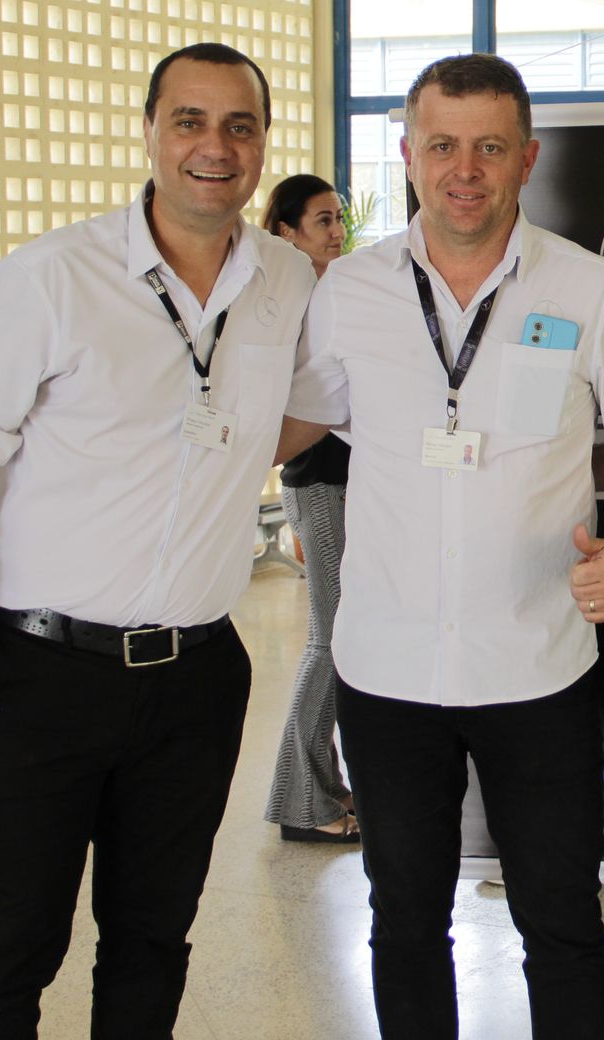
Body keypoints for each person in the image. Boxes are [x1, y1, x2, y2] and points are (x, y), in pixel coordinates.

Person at [0, 42, 316, 1039]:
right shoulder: (51, 277)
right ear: (151, 130)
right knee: (8, 945)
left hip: (198, 677)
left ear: (262, 143)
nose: (216, 146)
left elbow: (313, 405)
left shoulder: (287, 277)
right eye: (191, 121)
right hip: (43, 670)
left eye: (240, 125)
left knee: (153, 940)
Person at [277, 53, 604, 1039]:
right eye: (442, 145)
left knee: (560, 922)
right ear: (409, 154)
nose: (464, 168)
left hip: (538, 667)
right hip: (388, 671)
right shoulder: (351, 293)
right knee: (405, 922)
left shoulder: (591, 289)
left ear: (526, 158)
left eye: (489, 146)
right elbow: (282, 427)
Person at [259, 174, 362, 844]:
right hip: (318, 482)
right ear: (286, 233)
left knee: (347, 636)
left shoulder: (340, 295)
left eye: (339, 220)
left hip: (358, 479)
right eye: (322, 220)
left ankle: (319, 784)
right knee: (331, 637)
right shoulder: (282, 307)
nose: (336, 232)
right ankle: (303, 801)